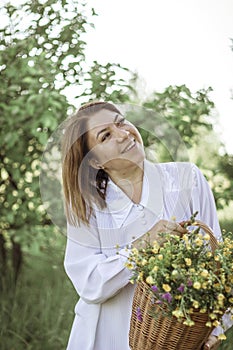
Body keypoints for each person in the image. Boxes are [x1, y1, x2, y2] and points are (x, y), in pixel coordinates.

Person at [61, 101, 228, 350]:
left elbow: (218, 263)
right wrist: (141, 248)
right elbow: (89, 284)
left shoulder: (187, 179)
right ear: (94, 162)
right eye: (105, 135)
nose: (123, 134)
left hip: (175, 340)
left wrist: (217, 326)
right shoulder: (87, 206)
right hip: (108, 337)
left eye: (121, 122)